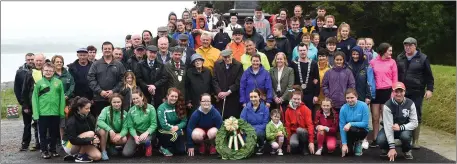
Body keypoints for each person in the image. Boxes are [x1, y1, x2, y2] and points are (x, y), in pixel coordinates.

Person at [396, 37, 434, 149]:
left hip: (417, 90)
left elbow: (429, 76)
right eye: (405, 45)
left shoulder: (423, 58)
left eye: (410, 45)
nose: (407, 47)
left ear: (415, 46)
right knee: (400, 114)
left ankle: (415, 140)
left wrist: (429, 89)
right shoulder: (400, 57)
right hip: (401, 91)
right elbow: (396, 74)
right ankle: (399, 138)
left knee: (416, 114)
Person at [376, 82, 418, 161]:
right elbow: (388, 127)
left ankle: (406, 150)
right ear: (393, 92)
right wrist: (392, 147)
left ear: (404, 92)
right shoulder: (387, 105)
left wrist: (401, 127)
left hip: (404, 129)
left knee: (405, 136)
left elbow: (415, 123)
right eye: (396, 91)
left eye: (401, 91)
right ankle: (386, 148)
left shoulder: (411, 103)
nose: (399, 94)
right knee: (380, 140)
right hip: (390, 128)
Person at [31, 63, 65, 159]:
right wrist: (36, 114)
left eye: (50, 70)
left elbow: (62, 98)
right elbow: (34, 99)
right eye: (46, 70)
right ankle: (44, 150)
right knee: (42, 133)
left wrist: (61, 112)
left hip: (55, 113)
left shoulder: (58, 82)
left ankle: (53, 150)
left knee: (54, 132)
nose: (48, 72)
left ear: (53, 71)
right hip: (43, 113)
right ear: (42, 71)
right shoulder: (39, 83)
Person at [369, 43, 397, 147]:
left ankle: (387, 138)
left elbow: (395, 78)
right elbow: (370, 77)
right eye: (389, 51)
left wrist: (393, 93)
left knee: (385, 117)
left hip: (387, 91)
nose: (391, 53)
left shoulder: (392, 62)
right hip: (375, 91)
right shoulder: (373, 62)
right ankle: (375, 138)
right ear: (383, 51)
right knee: (375, 116)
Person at [87, 41, 126, 118]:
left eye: (109, 48)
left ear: (112, 50)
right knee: (100, 119)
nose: (107, 50)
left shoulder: (118, 64)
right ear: (102, 50)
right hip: (99, 98)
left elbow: (123, 79)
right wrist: (100, 91)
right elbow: (91, 79)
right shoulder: (96, 64)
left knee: (115, 118)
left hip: (115, 98)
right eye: (105, 49)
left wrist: (113, 91)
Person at [62, 97, 101, 162]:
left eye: (89, 108)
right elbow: (73, 140)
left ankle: (75, 156)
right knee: (90, 133)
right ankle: (80, 156)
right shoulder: (72, 121)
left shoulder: (89, 117)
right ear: (79, 108)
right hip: (69, 145)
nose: (89, 110)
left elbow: (93, 131)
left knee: (97, 156)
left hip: (83, 141)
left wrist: (96, 137)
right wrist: (91, 141)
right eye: (87, 108)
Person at [20, 53, 46, 151]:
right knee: (36, 124)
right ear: (34, 61)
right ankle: (37, 143)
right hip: (32, 103)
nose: (39, 62)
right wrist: (25, 105)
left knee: (45, 124)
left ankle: (45, 143)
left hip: (45, 103)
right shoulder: (29, 73)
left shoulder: (48, 71)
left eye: (40, 60)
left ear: (44, 61)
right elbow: (25, 90)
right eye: (37, 61)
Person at [122, 89, 157, 157]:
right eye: (133, 99)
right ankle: (138, 146)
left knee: (145, 140)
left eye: (137, 98)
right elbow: (130, 126)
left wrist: (146, 133)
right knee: (126, 154)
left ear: (142, 97)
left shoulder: (151, 108)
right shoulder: (131, 110)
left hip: (148, 132)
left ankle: (148, 146)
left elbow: (154, 124)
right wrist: (135, 136)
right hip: (136, 133)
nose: (135, 100)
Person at [290, 43, 320, 118]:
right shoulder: (294, 63)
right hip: (297, 94)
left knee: (309, 114)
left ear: (307, 51)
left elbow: (316, 79)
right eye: (300, 50)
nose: (302, 52)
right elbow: (291, 79)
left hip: (310, 93)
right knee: (297, 114)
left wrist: (316, 95)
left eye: (304, 50)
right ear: (297, 51)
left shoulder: (313, 63)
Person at [96, 94, 129, 160]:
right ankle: (103, 151)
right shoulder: (106, 109)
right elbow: (99, 121)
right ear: (111, 102)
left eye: (118, 102)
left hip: (114, 135)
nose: (116, 104)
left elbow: (125, 128)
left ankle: (110, 146)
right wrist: (110, 129)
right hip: (106, 132)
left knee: (124, 139)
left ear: (121, 102)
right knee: (103, 131)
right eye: (114, 102)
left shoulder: (125, 113)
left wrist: (120, 135)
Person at [213, 50, 244, 119]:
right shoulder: (217, 64)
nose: (227, 59)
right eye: (225, 57)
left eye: (228, 57)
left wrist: (228, 92)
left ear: (232, 55)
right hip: (220, 97)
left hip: (233, 96)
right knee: (220, 117)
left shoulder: (238, 65)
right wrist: (219, 92)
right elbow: (214, 80)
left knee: (232, 119)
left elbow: (238, 82)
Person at [285, 86, 315, 155]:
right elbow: (287, 127)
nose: (296, 101)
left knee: (299, 130)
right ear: (291, 98)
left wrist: (311, 142)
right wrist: (288, 143)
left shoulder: (306, 109)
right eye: (294, 99)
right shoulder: (287, 111)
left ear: (301, 99)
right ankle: (299, 146)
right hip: (294, 132)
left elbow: (310, 125)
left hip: (304, 132)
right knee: (293, 144)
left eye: (298, 99)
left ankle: (305, 146)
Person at [157, 88, 188, 157]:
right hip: (163, 130)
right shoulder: (162, 108)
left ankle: (172, 147)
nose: (174, 98)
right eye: (172, 96)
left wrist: (178, 127)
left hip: (176, 129)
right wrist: (177, 130)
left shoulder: (180, 106)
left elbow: (184, 121)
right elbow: (164, 125)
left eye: (176, 97)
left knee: (181, 151)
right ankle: (163, 147)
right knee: (175, 135)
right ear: (167, 96)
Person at [340, 88, 370, 157]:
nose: (350, 100)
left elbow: (365, 123)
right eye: (347, 98)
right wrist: (344, 144)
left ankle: (358, 142)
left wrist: (350, 123)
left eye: (352, 97)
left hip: (362, 131)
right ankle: (350, 144)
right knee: (348, 153)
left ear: (356, 97)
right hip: (349, 131)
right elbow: (342, 126)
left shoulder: (363, 106)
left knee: (352, 128)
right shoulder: (343, 108)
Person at [52, 55, 75, 142]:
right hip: (56, 102)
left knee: (65, 121)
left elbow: (72, 85)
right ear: (53, 63)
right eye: (57, 62)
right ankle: (56, 140)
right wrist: (59, 97)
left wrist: (67, 95)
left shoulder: (67, 74)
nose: (59, 63)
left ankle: (65, 141)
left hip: (67, 101)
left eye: (61, 62)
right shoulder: (51, 75)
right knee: (56, 122)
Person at [15, 53, 36, 151]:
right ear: (25, 60)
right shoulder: (20, 72)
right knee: (27, 124)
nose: (30, 61)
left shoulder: (39, 70)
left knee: (38, 124)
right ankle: (25, 143)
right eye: (28, 59)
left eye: (32, 59)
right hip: (26, 103)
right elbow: (17, 89)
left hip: (36, 103)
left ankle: (38, 143)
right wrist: (22, 103)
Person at [240, 89, 270, 155]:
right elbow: (242, 121)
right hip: (248, 131)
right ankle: (251, 146)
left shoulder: (265, 109)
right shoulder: (246, 108)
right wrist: (249, 130)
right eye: (251, 97)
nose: (253, 99)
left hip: (260, 131)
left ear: (259, 97)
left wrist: (253, 129)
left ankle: (261, 145)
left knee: (259, 134)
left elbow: (265, 124)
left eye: (255, 97)